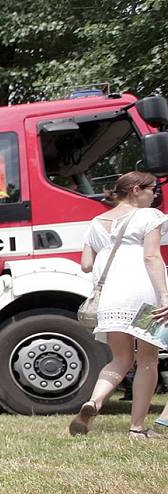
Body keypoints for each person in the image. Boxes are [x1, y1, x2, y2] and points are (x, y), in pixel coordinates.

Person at [69, 171, 168, 440]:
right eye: (152, 190)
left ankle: (95, 401)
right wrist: (165, 297)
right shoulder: (149, 216)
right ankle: (137, 428)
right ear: (136, 190)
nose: (155, 195)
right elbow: (151, 257)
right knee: (147, 359)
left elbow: (87, 265)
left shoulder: (96, 222)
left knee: (121, 359)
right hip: (145, 294)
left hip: (112, 297)